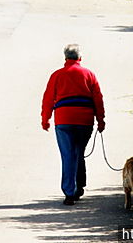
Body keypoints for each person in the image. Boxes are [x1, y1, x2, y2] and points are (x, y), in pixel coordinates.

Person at [41, 44, 105, 206]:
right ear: (80, 58)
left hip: (64, 120)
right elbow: (98, 98)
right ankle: (79, 187)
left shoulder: (57, 75)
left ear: (65, 58)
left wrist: (45, 119)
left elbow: (48, 98)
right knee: (78, 152)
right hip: (85, 120)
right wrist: (101, 120)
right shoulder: (89, 74)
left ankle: (70, 192)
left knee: (68, 155)